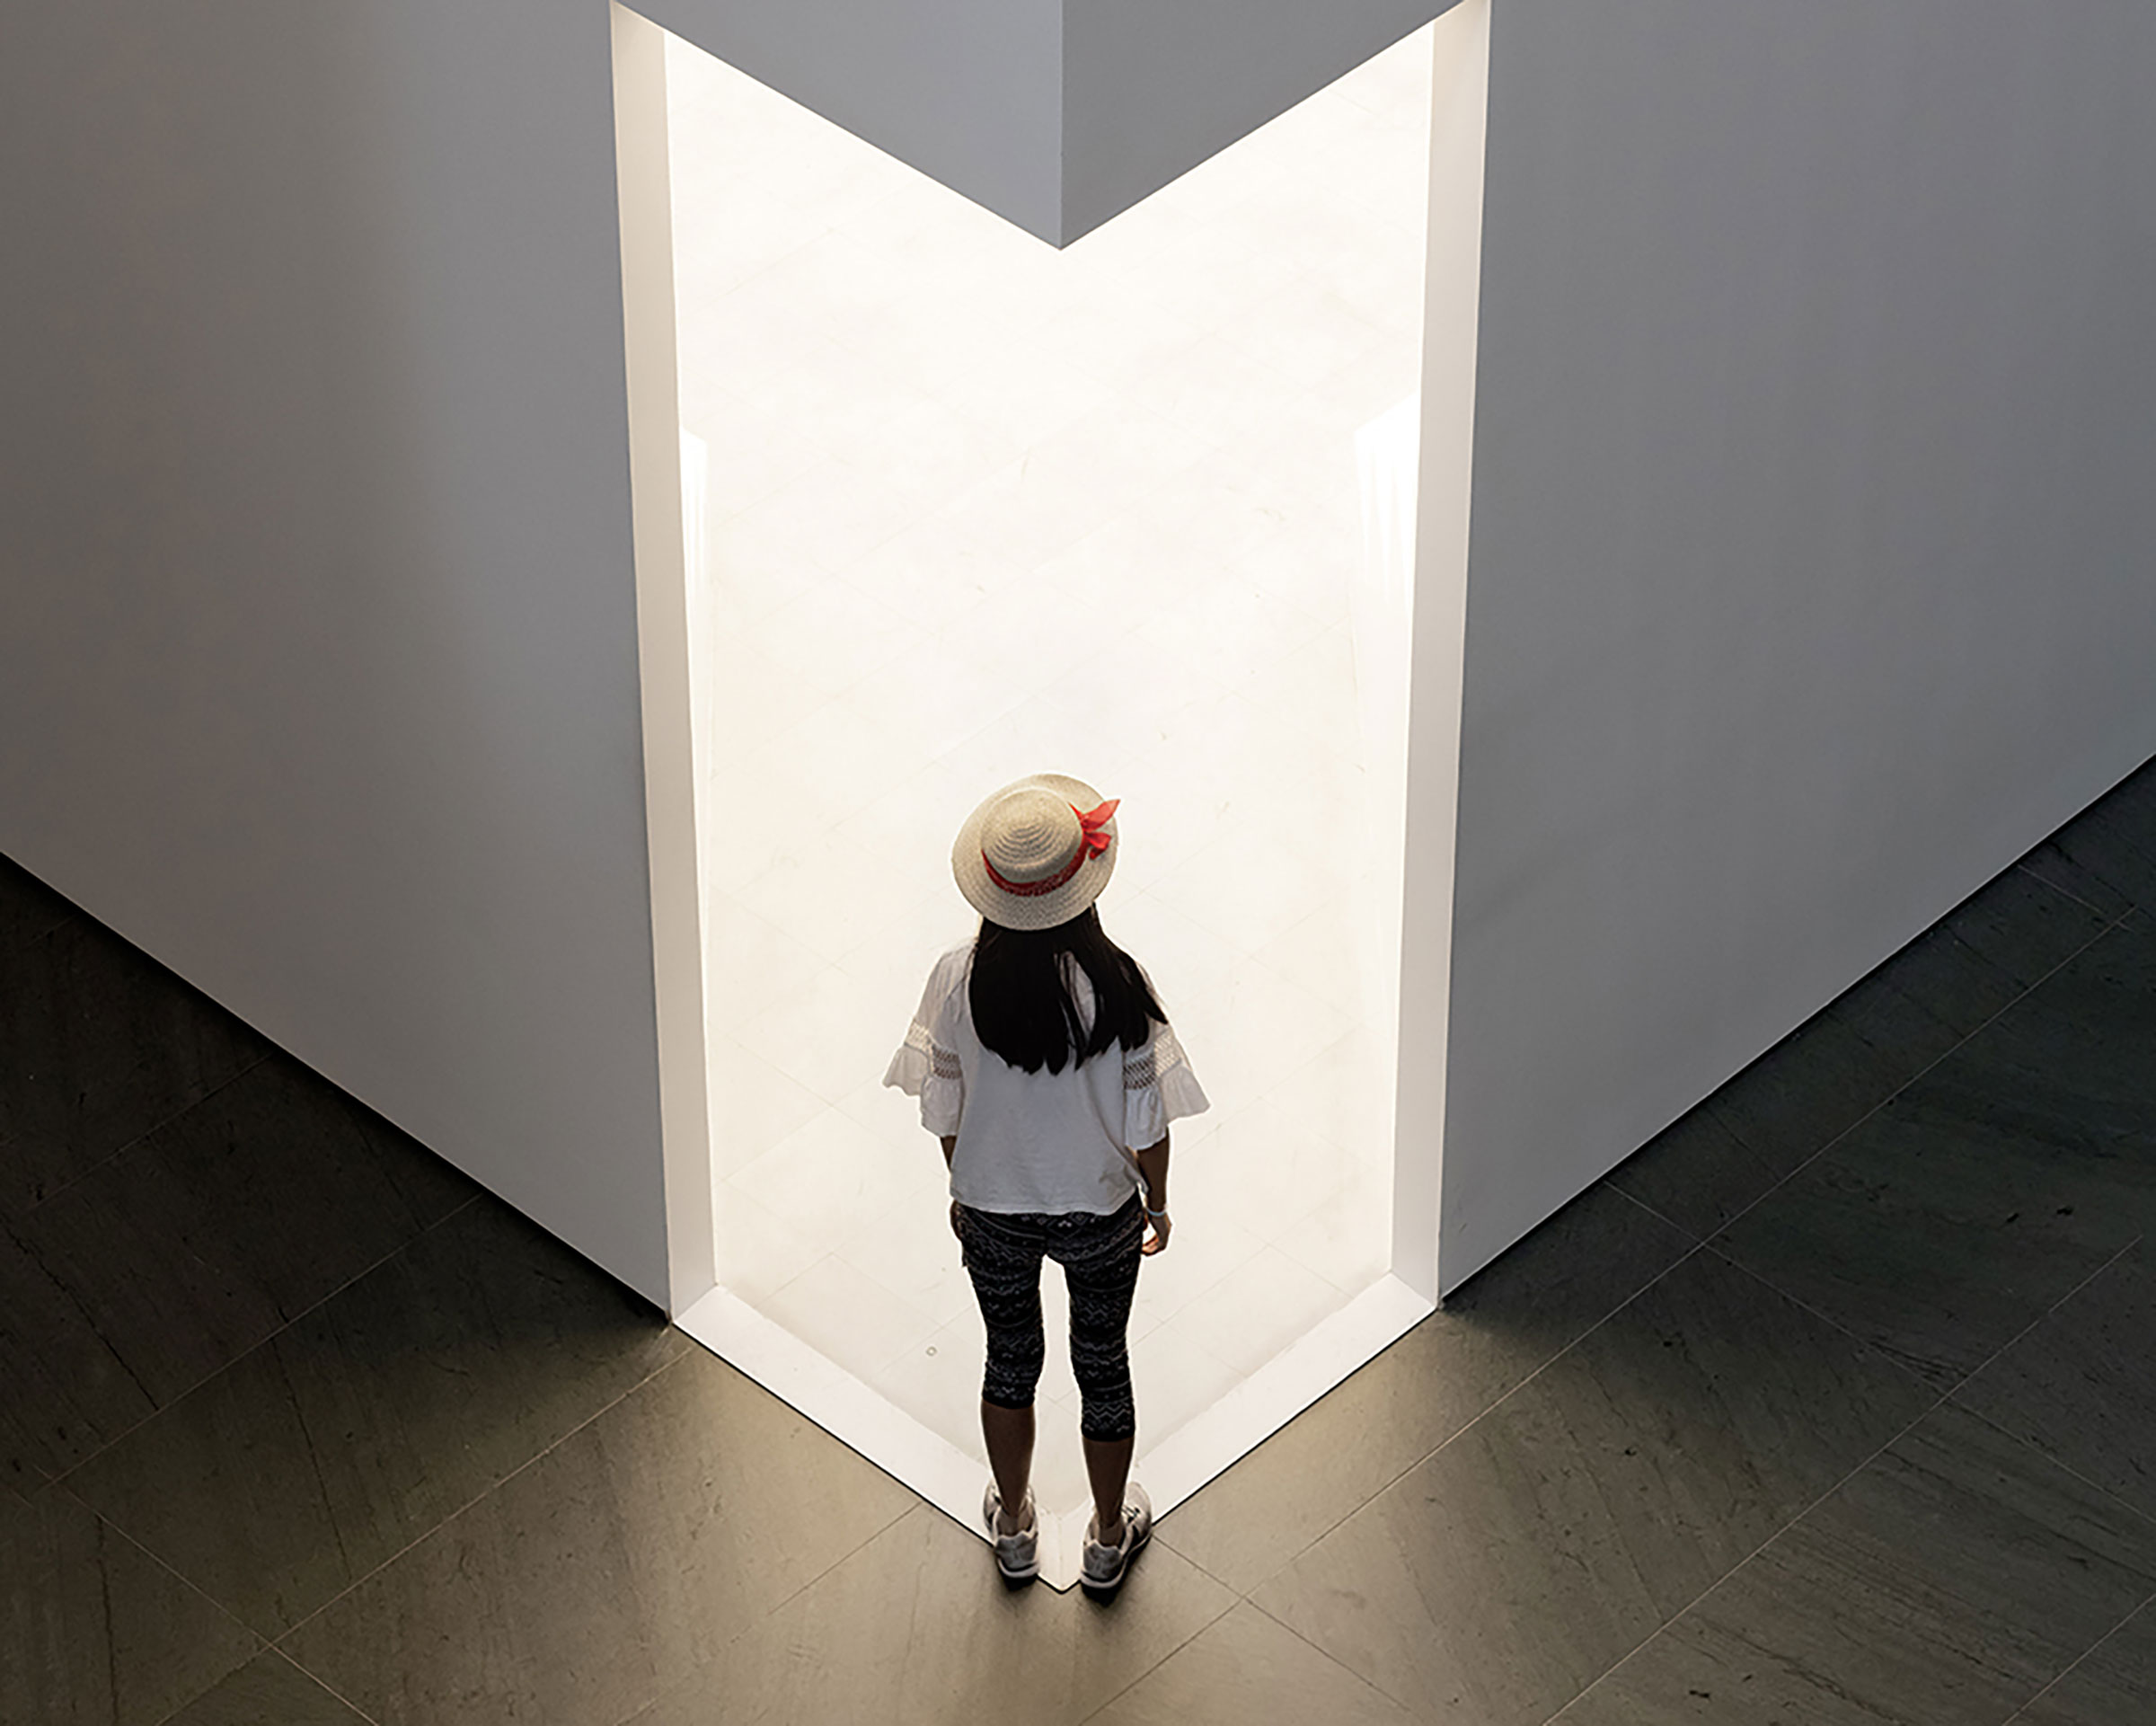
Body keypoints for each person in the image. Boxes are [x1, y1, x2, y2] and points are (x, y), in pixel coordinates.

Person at [884, 774, 1208, 1596]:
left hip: (993, 1212)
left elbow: (945, 1100)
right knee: (1102, 1364)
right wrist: (1158, 1205)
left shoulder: (958, 978)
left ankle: (1018, 1525)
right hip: (1100, 1213)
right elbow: (1149, 1126)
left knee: (1008, 1360)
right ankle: (1105, 1537)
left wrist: (967, 1184)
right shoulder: (1122, 985)